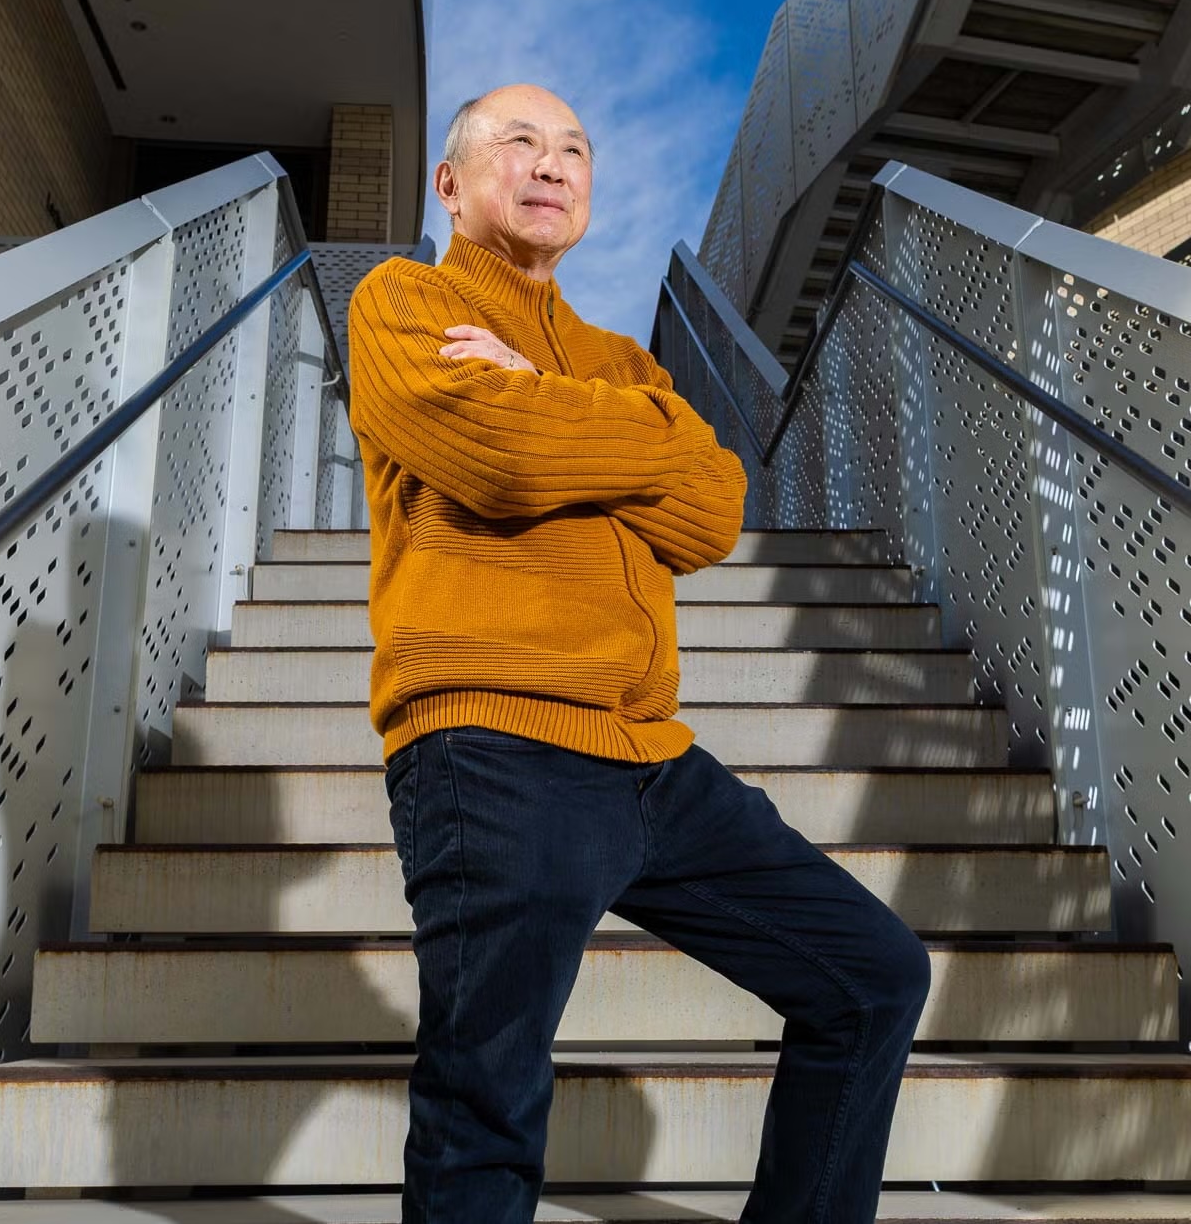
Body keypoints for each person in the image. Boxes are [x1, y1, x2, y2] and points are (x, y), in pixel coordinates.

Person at [345, 83, 931, 1224]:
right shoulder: (401, 300)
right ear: (451, 185)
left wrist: (565, 404)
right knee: (487, 1096)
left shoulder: (622, 359)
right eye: (518, 142)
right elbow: (501, 457)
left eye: (573, 147)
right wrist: (635, 438)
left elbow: (713, 510)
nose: (551, 162)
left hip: (648, 756)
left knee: (871, 976)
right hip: (493, 740)